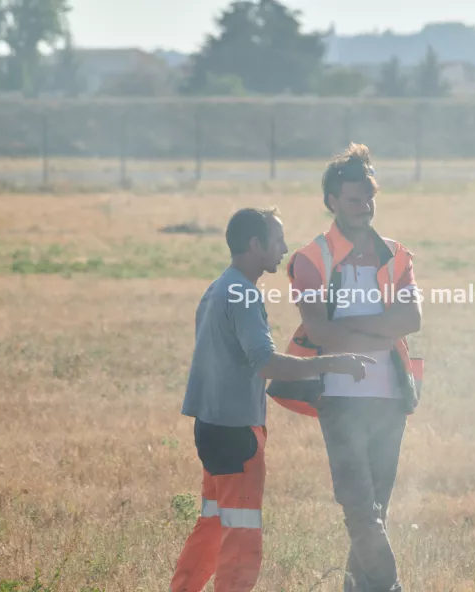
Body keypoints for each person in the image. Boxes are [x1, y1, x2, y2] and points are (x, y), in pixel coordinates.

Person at [170, 206, 377, 592]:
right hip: (237, 434)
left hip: (210, 427)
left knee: (213, 524)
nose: (284, 248)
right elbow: (265, 363)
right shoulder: (244, 294)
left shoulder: (219, 287)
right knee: (242, 537)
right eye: (277, 239)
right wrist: (335, 364)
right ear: (254, 244)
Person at [268, 143, 423, 592]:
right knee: (360, 507)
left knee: (378, 506)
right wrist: (379, 329)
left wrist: (348, 326)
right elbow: (319, 333)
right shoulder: (309, 259)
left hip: (392, 396)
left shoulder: (398, 254)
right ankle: (391, 586)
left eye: (369, 198)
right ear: (332, 202)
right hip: (337, 396)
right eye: (355, 200)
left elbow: (411, 320)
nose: (365, 208)